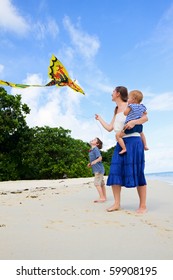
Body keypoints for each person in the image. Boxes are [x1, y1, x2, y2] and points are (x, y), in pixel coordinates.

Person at [95, 86, 148, 213]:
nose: (111, 94)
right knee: (115, 171)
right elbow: (109, 128)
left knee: (138, 172)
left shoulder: (131, 105)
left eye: (113, 92)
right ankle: (117, 203)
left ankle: (143, 206)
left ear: (118, 94)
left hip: (134, 142)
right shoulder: (116, 110)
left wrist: (134, 122)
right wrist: (99, 118)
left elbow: (145, 118)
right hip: (120, 142)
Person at [116, 89, 149, 154]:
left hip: (130, 126)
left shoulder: (131, 106)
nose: (127, 100)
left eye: (128, 98)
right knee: (142, 134)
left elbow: (125, 113)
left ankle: (124, 148)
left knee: (118, 136)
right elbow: (145, 113)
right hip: (139, 126)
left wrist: (126, 110)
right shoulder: (142, 107)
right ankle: (145, 145)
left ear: (133, 99)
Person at [87, 137, 106, 203]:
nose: (93, 139)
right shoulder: (92, 150)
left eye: (95, 140)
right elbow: (93, 159)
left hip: (99, 170)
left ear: (97, 144)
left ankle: (102, 197)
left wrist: (94, 162)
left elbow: (100, 158)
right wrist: (90, 163)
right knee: (101, 184)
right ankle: (104, 196)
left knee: (97, 183)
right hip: (98, 169)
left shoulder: (95, 149)